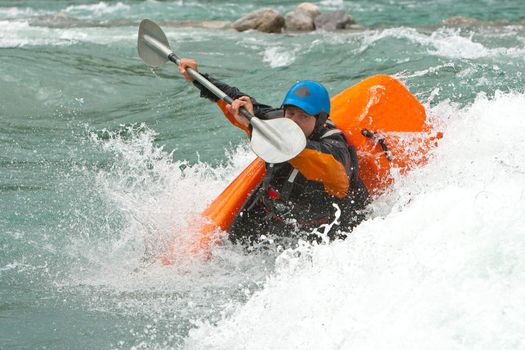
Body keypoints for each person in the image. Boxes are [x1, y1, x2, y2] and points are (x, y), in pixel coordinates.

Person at [178, 59, 369, 249]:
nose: (294, 122)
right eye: (291, 113)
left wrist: (253, 127)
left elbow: (308, 157)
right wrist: (198, 78)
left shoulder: (334, 147)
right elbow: (236, 100)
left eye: (304, 117)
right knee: (225, 251)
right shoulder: (278, 123)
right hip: (270, 213)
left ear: (319, 121)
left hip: (321, 229)